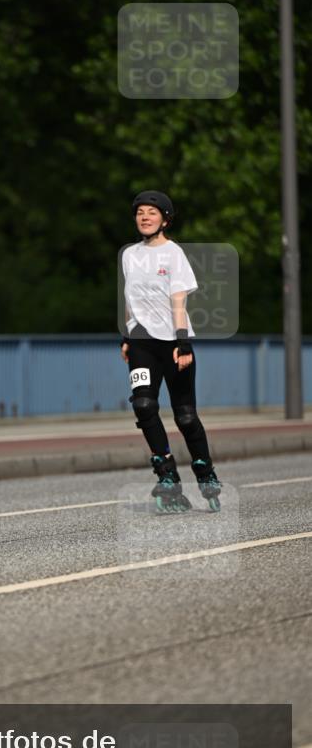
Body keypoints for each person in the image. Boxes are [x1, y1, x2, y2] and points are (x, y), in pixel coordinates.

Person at [120, 190, 222, 512]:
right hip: (141, 342)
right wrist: (126, 336)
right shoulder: (128, 255)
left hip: (172, 343)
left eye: (152, 212)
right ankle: (166, 475)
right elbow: (129, 299)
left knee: (186, 416)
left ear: (165, 219)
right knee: (144, 404)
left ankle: (205, 471)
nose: (145, 217)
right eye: (140, 212)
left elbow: (179, 300)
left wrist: (183, 341)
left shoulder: (173, 253)